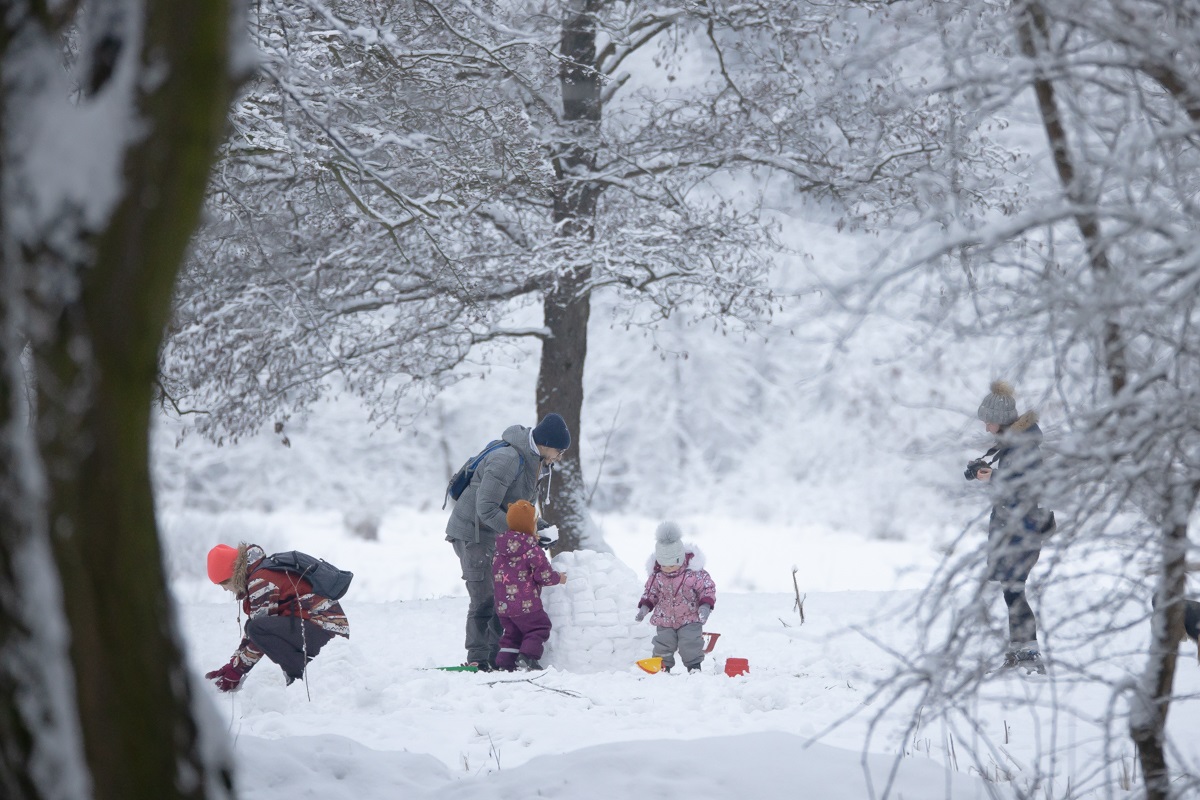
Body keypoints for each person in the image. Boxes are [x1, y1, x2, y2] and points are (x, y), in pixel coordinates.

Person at [445, 413, 570, 671]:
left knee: (503, 596)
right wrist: (526, 537)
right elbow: (487, 509)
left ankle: (497, 655)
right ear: (546, 443)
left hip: (497, 534)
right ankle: (478, 659)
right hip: (473, 533)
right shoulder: (507, 460)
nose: (560, 457)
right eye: (559, 451)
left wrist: (539, 527)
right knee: (484, 597)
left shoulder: (535, 461)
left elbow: (518, 510)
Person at [967, 380, 1053, 673]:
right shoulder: (1013, 445)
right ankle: (1020, 653)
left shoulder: (1024, 446)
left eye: (988, 421)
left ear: (1001, 420)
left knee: (1014, 591)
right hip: (1014, 528)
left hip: (1023, 530)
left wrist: (993, 478)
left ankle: (1029, 654)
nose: (985, 426)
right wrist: (985, 469)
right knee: (1011, 591)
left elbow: (1026, 488)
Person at [204, 543, 349, 691]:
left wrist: (237, 671)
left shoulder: (260, 581)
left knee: (257, 628)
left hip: (328, 632)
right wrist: (233, 664)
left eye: (224, 584)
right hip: (323, 629)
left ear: (232, 576)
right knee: (253, 626)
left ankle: (300, 676)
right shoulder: (261, 572)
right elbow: (255, 626)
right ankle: (302, 672)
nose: (224, 589)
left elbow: (258, 634)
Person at [492, 499, 567, 671]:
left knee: (512, 634)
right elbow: (544, 575)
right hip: (525, 604)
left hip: (503, 605)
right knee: (539, 627)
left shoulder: (500, 549)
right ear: (529, 525)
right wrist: (559, 578)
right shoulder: (532, 549)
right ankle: (527, 657)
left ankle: (505, 662)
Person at [634, 521, 717, 674]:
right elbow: (650, 593)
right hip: (664, 619)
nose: (669, 569)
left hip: (689, 618)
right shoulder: (657, 577)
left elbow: (707, 588)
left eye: (673, 564)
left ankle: (694, 668)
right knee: (662, 644)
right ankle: (662, 669)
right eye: (665, 565)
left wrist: (705, 606)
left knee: (690, 643)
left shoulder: (694, 574)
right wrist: (644, 608)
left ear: (681, 558)